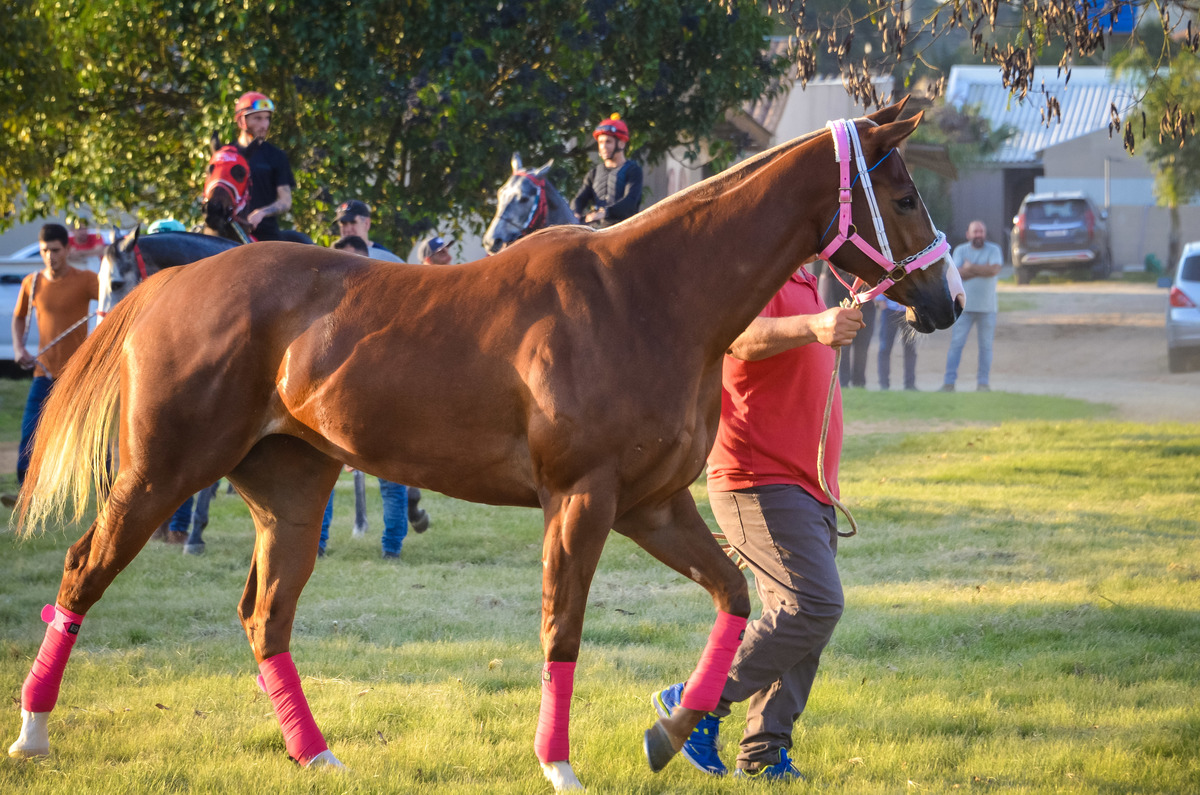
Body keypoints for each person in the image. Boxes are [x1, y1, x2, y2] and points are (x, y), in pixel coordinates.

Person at [652, 260, 864, 779]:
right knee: (814, 605)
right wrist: (815, 325)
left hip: (808, 486)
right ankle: (694, 701)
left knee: (798, 621)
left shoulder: (805, 278)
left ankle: (765, 753)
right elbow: (739, 338)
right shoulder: (758, 269)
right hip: (758, 480)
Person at [316, 234, 424, 559]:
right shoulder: (332, 309)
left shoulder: (386, 307)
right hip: (339, 409)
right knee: (321, 478)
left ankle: (391, 549)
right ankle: (317, 545)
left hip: (384, 406)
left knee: (392, 482)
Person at [2, 224, 100, 507]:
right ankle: (26, 497)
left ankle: (109, 495)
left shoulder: (87, 280)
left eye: (55, 250)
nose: (49, 256)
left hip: (78, 375)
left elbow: (112, 302)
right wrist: (19, 348)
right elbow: (19, 317)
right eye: (44, 250)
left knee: (94, 437)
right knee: (31, 433)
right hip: (43, 373)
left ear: (67, 250)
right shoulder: (32, 283)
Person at [232, 91, 311, 244]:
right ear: (242, 120)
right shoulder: (227, 155)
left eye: (267, 118)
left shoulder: (276, 156)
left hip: (265, 234)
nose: (264, 125)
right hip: (228, 230)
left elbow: (285, 201)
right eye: (258, 118)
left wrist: (262, 213)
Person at [940, 220, 1003, 392]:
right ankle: (949, 383)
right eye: (975, 232)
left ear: (985, 233)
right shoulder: (960, 250)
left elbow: (994, 270)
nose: (978, 235)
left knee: (986, 348)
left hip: (988, 309)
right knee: (956, 345)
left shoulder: (994, 250)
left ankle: (983, 384)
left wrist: (970, 267)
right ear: (968, 234)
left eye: (981, 231)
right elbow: (956, 274)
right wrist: (982, 270)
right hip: (963, 309)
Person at [571, 114, 644, 228]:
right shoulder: (594, 173)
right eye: (600, 142)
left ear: (621, 143)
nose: (603, 147)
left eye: (608, 142)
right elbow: (579, 199)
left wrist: (606, 212)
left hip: (626, 230)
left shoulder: (633, 171)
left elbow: (630, 201)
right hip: (598, 231)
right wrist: (576, 213)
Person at [816, 260, 876, 388]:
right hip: (840, 307)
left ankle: (859, 383)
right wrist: (823, 306)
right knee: (843, 346)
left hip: (866, 308)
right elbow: (825, 277)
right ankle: (843, 382)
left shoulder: (869, 254)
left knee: (862, 347)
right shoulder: (835, 255)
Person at [334, 200, 402, 261]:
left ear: (366, 223)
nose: (348, 229)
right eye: (343, 223)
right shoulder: (332, 257)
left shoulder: (387, 259)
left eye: (353, 222)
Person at [876, 294, 918, 391]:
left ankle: (910, 384)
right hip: (890, 310)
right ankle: (884, 385)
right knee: (885, 348)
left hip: (910, 311)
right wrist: (881, 300)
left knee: (910, 349)